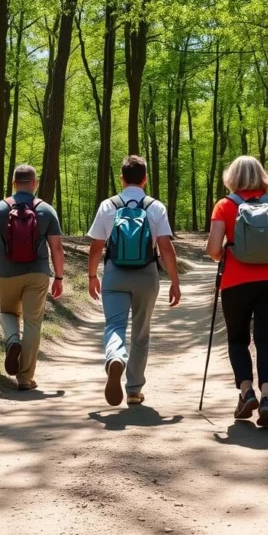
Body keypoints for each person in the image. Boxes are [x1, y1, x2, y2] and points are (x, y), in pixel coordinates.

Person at [205, 156, 268, 427]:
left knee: (238, 340)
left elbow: (213, 251)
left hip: (236, 282)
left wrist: (229, 250)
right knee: (266, 340)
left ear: (231, 177)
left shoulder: (225, 206)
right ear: (262, 176)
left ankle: (247, 393)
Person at [87, 155, 182, 407]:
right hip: (146, 274)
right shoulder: (155, 207)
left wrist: (92, 275)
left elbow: (96, 246)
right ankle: (133, 390)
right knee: (141, 333)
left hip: (115, 273)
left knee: (114, 325)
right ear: (145, 179)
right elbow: (165, 248)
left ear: (121, 178)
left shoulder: (109, 205)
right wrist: (174, 281)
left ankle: (115, 357)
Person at [0, 164, 65, 391]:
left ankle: (12, 341)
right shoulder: (47, 210)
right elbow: (56, 248)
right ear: (34, 184)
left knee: (8, 312)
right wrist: (59, 277)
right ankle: (25, 377)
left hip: (8, 274)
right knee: (32, 322)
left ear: (14, 183)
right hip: (37, 274)